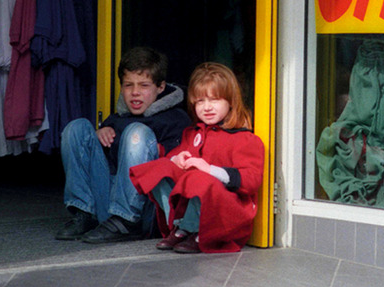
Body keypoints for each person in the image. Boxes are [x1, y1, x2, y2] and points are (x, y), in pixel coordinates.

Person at [55, 46, 191, 244]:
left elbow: (175, 170)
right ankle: (84, 214)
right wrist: (98, 136)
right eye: (128, 85)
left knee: (137, 133)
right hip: (108, 210)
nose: (135, 93)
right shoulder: (118, 118)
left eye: (144, 86)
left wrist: (147, 144)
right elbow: (96, 164)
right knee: (76, 128)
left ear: (160, 87)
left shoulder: (176, 120)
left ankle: (127, 221)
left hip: (145, 211)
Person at [130, 62, 264, 254]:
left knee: (197, 177)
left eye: (215, 100)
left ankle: (197, 230)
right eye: (200, 101)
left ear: (231, 101)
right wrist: (175, 159)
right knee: (159, 168)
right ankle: (182, 227)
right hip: (195, 206)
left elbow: (251, 180)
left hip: (228, 213)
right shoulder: (192, 133)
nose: (207, 107)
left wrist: (210, 170)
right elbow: (173, 160)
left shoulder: (245, 139)